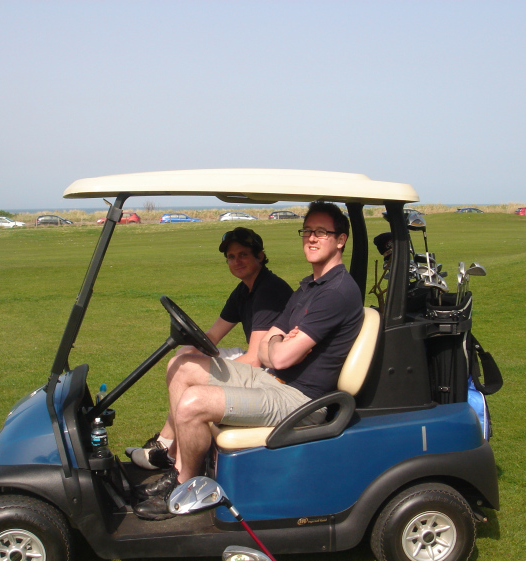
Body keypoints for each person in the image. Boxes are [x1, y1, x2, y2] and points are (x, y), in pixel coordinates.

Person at [134, 201, 363, 520]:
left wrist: (279, 345)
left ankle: (186, 488)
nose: (311, 238)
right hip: (273, 380)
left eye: (321, 232)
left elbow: (279, 355)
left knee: (193, 403)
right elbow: (273, 346)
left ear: (340, 240)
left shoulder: (336, 292)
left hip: (302, 400)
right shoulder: (308, 287)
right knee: (183, 367)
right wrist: (280, 343)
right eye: (308, 230)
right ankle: (177, 466)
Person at [125, 227, 294, 470]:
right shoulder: (245, 289)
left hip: (270, 371)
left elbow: (255, 359)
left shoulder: (269, 290)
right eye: (231, 257)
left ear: (260, 256)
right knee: (183, 355)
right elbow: (212, 335)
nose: (237, 261)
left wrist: (200, 368)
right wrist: (193, 347)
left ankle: (170, 450)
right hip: (257, 359)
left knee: (185, 367)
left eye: (243, 255)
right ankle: (165, 443)